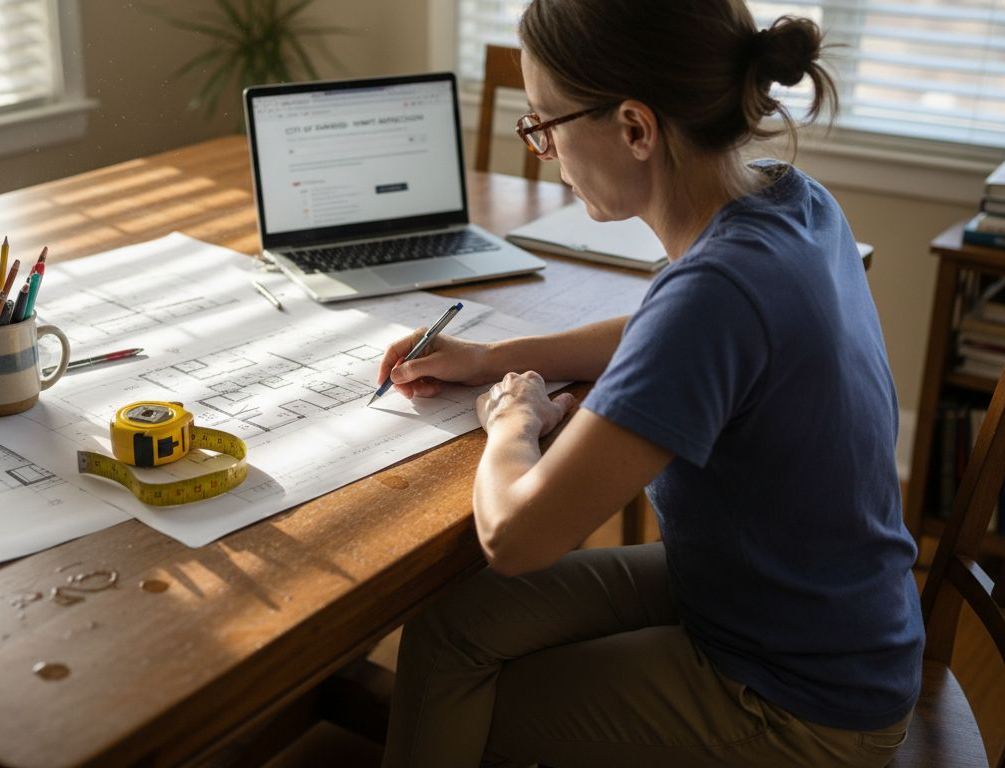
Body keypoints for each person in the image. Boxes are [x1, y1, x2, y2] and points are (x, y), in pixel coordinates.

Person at [375, 1, 924, 766]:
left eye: (546, 126)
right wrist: (489, 358)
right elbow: (662, 337)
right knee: (451, 630)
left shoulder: (716, 292)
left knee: (463, 695)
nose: (546, 153)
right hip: (791, 601)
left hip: (805, 704)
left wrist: (513, 422)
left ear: (635, 128)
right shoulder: (788, 198)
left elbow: (516, 537)